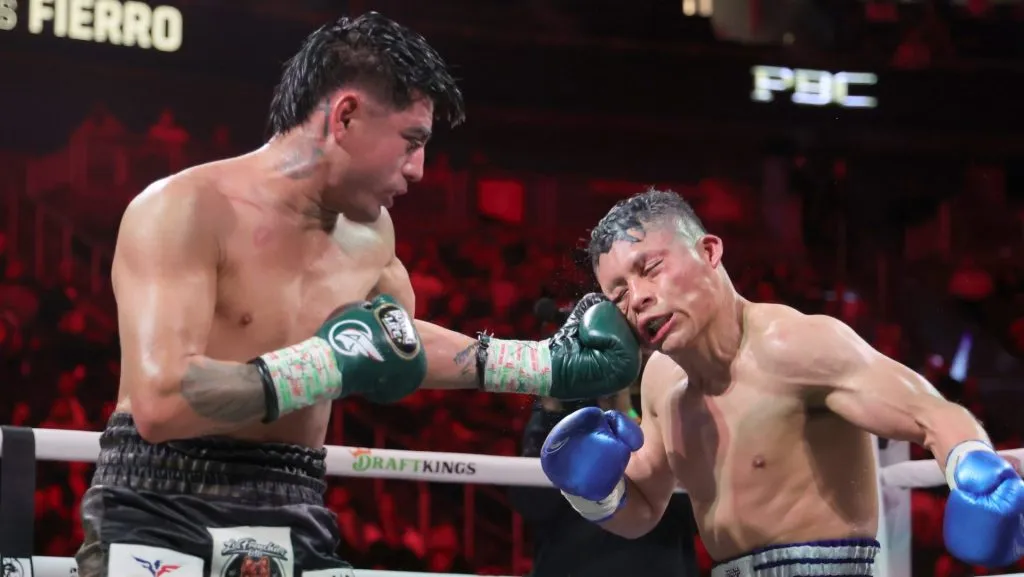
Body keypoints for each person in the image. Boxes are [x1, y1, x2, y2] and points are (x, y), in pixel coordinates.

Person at [75, 12, 641, 577]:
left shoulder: (370, 234)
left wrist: (544, 365)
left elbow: (395, 346)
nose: (419, 170)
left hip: (291, 497)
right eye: (411, 142)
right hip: (160, 501)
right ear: (345, 116)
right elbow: (161, 404)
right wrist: (325, 364)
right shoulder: (186, 208)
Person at [539, 188, 1024, 576]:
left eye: (650, 269)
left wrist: (971, 466)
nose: (638, 298)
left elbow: (931, 413)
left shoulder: (795, 345)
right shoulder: (661, 379)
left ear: (709, 251)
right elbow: (642, 509)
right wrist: (591, 490)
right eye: (618, 294)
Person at [509, 389, 699, 577]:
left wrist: (625, 412)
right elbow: (531, 504)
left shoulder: (665, 404)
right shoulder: (559, 415)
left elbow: (695, 509)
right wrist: (552, 410)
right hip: (571, 563)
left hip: (657, 562)